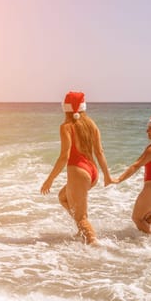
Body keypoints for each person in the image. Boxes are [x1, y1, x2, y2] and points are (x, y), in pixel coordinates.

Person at [41, 91, 113, 245]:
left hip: (78, 172)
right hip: (92, 172)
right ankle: (83, 231)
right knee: (63, 197)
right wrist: (107, 175)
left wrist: (50, 179)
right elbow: (99, 152)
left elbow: (64, 157)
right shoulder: (91, 124)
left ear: (65, 109)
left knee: (82, 217)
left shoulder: (66, 127)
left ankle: (95, 245)